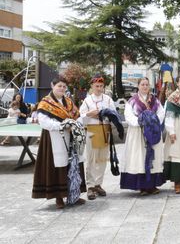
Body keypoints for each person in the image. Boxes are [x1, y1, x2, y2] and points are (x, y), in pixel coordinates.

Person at [32, 76, 86, 209]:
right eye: (59, 86)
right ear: (52, 86)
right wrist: (62, 126)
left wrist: (75, 124)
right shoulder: (46, 102)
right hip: (53, 138)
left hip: (70, 138)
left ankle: (73, 194)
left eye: (64, 86)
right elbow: (44, 121)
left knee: (73, 164)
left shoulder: (68, 101)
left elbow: (77, 116)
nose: (62, 88)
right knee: (57, 166)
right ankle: (58, 196)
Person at [120, 77, 165, 195]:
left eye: (146, 84)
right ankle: (142, 186)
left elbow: (161, 113)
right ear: (138, 86)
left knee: (154, 158)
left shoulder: (155, 101)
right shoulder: (132, 101)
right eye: (142, 84)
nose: (145, 87)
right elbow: (129, 116)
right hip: (138, 133)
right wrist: (142, 122)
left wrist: (153, 121)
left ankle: (152, 185)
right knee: (139, 158)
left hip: (153, 132)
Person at [79, 75, 117, 200]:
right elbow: (81, 116)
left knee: (102, 159)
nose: (99, 88)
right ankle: (90, 186)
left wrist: (105, 115)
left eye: (101, 86)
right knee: (91, 159)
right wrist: (90, 114)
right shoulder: (87, 100)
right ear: (92, 86)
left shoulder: (108, 99)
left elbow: (114, 115)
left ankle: (98, 184)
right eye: (97, 86)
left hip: (104, 130)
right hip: (91, 131)